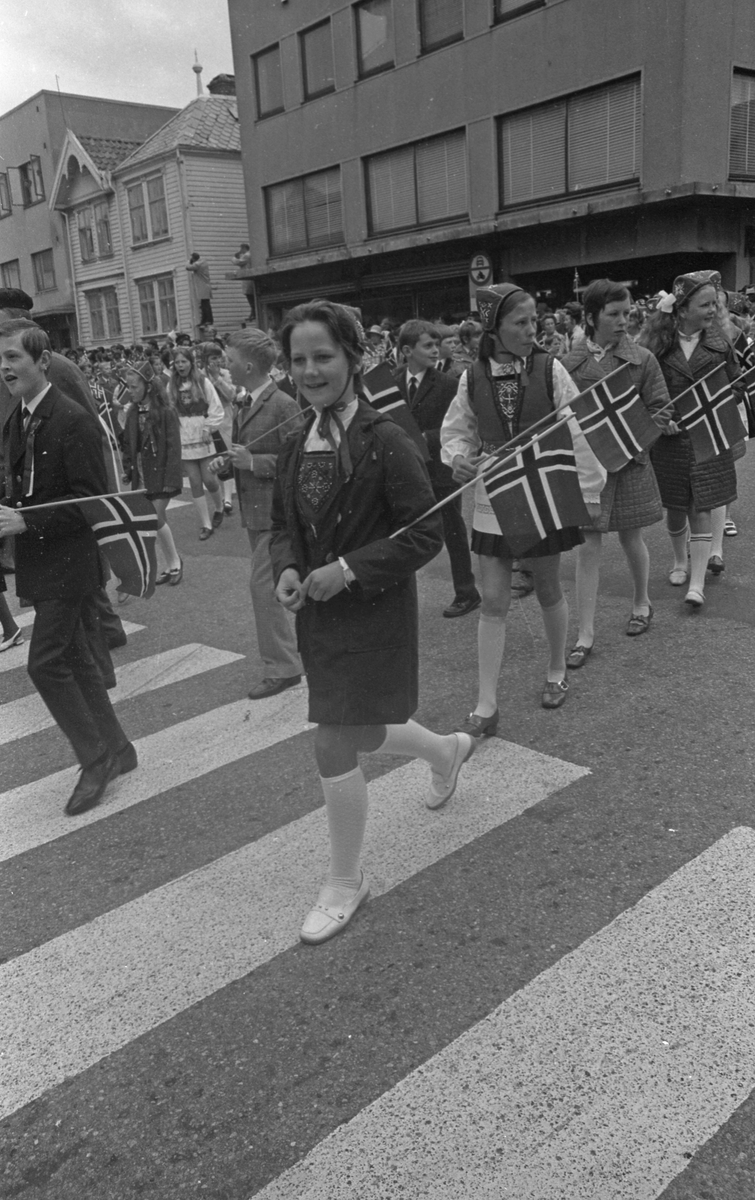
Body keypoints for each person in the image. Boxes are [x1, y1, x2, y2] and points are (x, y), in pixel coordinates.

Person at [270, 300, 474, 945]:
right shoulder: (293, 440)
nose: (310, 370)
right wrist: (288, 568)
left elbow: (425, 534)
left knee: (334, 737)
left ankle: (344, 880)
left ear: (354, 360)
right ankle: (446, 750)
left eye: (323, 356)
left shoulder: (386, 439)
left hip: (374, 612)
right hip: (319, 618)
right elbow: (284, 527)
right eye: (299, 359)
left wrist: (350, 569)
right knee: (357, 729)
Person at [441, 285, 606, 726]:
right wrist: (458, 457)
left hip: (542, 486)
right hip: (495, 490)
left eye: (534, 320)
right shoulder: (471, 376)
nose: (532, 329)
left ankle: (555, 671)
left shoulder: (551, 369)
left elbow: (578, 427)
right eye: (521, 322)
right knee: (493, 599)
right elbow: (458, 429)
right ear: (495, 328)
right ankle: (486, 703)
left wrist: (589, 491)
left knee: (547, 586)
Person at [0, 319, 135, 816]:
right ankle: (119, 748)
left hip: (71, 564)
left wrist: (24, 521)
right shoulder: (20, 417)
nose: (4, 368)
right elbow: (18, 486)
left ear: (42, 361)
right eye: (1, 360)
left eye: (14, 357)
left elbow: (92, 504)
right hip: (43, 562)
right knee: (76, 658)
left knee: (45, 662)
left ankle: (95, 759)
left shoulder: (73, 419)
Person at [561, 279, 671, 666]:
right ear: (591, 317)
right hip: (589, 468)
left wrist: (649, 430)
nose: (624, 321)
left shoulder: (643, 359)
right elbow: (560, 417)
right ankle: (585, 633)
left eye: (627, 314)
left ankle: (642, 603)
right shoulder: (568, 364)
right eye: (614, 314)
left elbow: (660, 408)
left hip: (628, 463)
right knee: (587, 547)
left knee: (631, 537)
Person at [208, 328, 304, 698]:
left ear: (248, 365)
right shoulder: (245, 401)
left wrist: (253, 461)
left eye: (229, 360)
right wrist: (230, 462)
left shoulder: (283, 404)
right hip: (256, 511)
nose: (225, 366)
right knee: (278, 588)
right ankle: (301, 653)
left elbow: (297, 462)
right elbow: (246, 452)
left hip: (276, 514)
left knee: (263, 589)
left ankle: (284, 667)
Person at [639, 270, 743, 607]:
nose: (713, 310)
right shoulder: (655, 348)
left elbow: (737, 384)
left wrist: (727, 398)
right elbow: (642, 394)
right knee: (675, 509)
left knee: (702, 505)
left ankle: (696, 584)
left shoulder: (720, 344)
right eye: (705, 304)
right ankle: (679, 562)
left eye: (715, 304)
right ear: (682, 310)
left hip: (707, 438)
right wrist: (659, 419)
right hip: (670, 442)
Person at [394, 320, 480, 618]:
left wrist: (421, 438)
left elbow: (455, 427)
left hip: (440, 470)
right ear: (407, 350)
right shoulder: (390, 383)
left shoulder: (447, 383)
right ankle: (398, 593)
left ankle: (466, 592)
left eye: (435, 345)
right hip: (407, 472)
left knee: (453, 530)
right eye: (427, 346)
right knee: (402, 532)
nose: (435, 351)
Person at [122, 361, 183, 585]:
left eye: (134, 386)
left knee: (154, 518)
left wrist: (171, 480)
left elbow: (174, 449)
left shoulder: (165, 412)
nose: (130, 391)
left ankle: (175, 562)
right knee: (157, 520)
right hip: (142, 474)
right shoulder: (132, 412)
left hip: (161, 475)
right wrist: (128, 469)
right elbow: (129, 444)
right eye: (128, 387)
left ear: (148, 386)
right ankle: (171, 564)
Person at [168, 345, 225, 539]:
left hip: (201, 431)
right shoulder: (172, 385)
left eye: (183, 361)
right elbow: (169, 409)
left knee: (209, 478)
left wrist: (209, 427)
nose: (180, 365)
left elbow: (216, 408)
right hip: (183, 433)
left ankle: (219, 507)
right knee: (194, 480)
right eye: (177, 362)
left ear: (191, 363)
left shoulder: (203, 382)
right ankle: (206, 524)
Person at [200, 342, 236, 514]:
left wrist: (217, 378)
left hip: (225, 419)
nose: (217, 361)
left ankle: (228, 498)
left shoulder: (225, 374)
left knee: (225, 456)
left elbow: (231, 395)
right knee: (212, 460)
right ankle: (220, 496)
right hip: (207, 420)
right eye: (213, 358)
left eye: (218, 358)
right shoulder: (199, 376)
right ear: (205, 359)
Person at [186, 253, 213, 328]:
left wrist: (189, 261)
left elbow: (188, 267)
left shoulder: (199, 264)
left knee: (205, 304)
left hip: (203, 285)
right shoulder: (203, 262)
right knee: (204, 304)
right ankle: (205, 320)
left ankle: (208, 320)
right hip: (204, 285)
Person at [231, 242, 255, 318]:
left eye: (241, 248)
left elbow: (237, 262)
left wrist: (235, 257)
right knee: (249, 295)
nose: (240, 250)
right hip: (248, 277)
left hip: (247, 277)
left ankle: (253, 312)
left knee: (249, 295)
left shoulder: (247, 255)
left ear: (244, 248)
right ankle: (253, 312)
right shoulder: (248, 255)